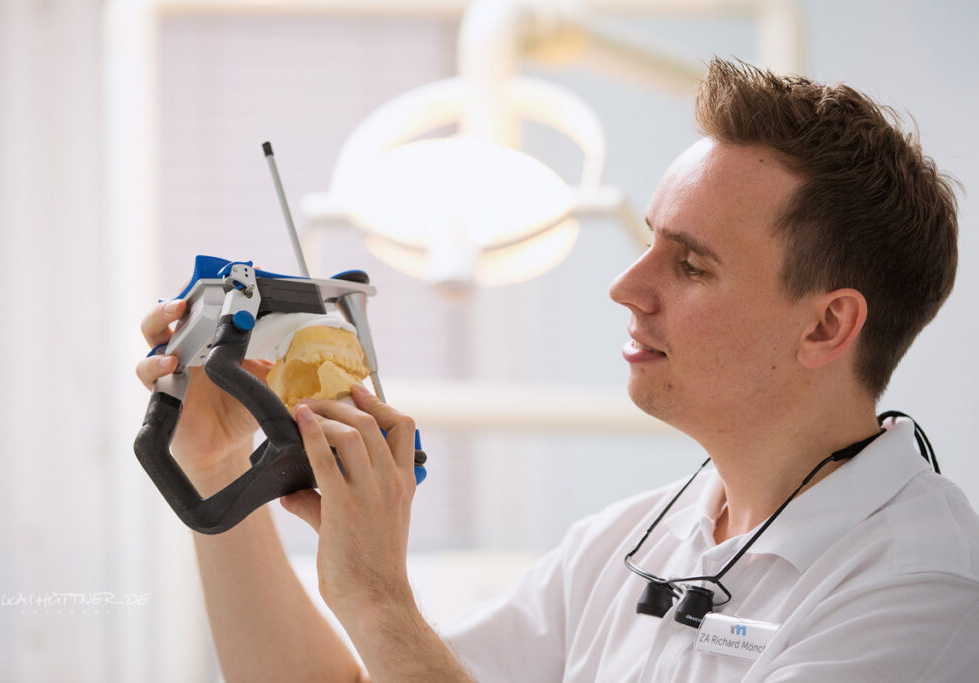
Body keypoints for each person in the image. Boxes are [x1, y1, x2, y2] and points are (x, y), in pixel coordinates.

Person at [135, 58, 978, 681]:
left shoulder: (922, 594)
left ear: (827, 324)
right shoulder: (633, 542)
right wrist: (215, 463)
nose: (626, 286)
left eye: (691, 264)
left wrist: (382, 598)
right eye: (649, 241)